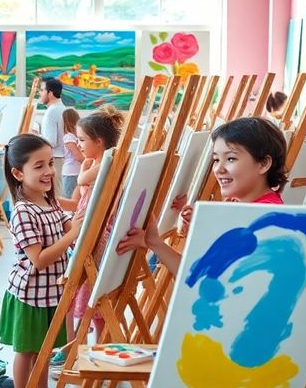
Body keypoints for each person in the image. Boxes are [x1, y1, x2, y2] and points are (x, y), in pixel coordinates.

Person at [119, 116, 288, 276]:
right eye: (216, 159)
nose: (219, 169)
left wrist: (208, 227)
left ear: (264, 164)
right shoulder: (240, 205)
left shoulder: (257, 218)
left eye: (230, 159)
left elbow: (199, 277)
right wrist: (154, 242)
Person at [0, 134, 79, 388]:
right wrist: (72, 233)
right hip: (30, 295)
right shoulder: (23, 211)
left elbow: (70, 231)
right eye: (39, 166)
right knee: (27, 351)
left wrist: (78, 226)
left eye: (50, 164)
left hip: (51, 293)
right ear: (18, 173)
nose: (48, 172)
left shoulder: (49, 201)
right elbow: (40, 258)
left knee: (44, 349)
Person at [52, 106, 124, 367]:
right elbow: (79, 203)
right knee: (74, 295)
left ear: (99, 141)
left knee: (93, 298)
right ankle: (72, 346)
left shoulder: (110, 161)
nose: (78, 145)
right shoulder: (97, 162)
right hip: (83, 237)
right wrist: (50, 202)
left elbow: (83, 179)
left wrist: (83, 168)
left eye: (82, 140)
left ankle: (95, 349)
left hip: (97, 241)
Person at [38, 79, 68, 188]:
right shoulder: (62, 109)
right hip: (62, 159)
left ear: (50, 93)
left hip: (55, 159)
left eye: (42, 90)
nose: (39, 93)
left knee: (55, 196)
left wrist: (35, 137)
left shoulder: (51, 112)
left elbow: (50, 141)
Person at [60, 108, 82, 197]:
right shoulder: (69, 137)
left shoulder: (74, 136)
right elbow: (78, 157)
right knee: (70, 200)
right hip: (71, 173)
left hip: (74, 173)